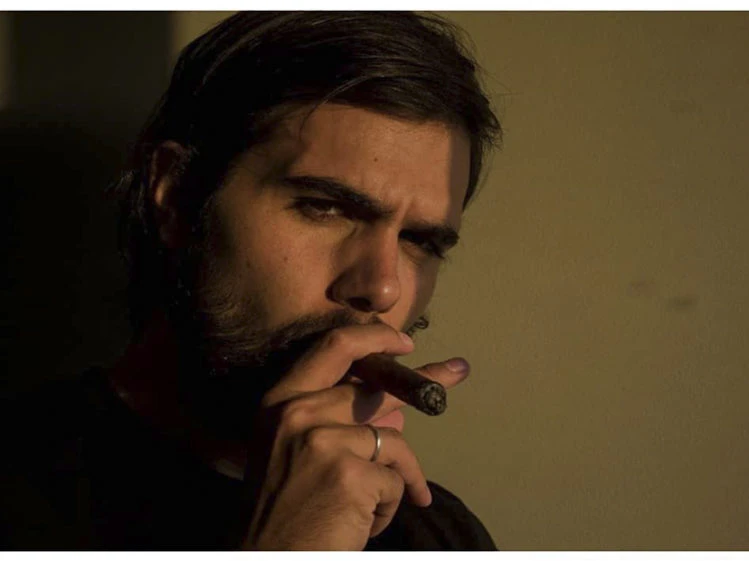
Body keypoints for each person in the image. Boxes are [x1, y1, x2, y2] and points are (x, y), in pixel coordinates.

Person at [0, 11, 501, 550]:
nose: (383, 288)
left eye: (420, 241)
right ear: (177, 196)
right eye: (324, 207)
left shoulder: (439, 536)